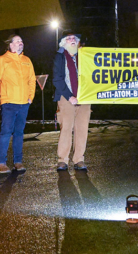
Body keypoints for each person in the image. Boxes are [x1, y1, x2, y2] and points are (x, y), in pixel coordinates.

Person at [0, 34, 36, 174]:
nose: (20, 43)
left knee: (19, 133)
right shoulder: (2, 60)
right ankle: (1, 163)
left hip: (23, 104)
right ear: (10, 45)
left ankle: (17, 162)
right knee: (5, 133)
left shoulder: (27, 60)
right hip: (9, 103)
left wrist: (30, 97)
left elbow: (32, 80)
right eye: (17, 41)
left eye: (21, 41)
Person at [52, 31, 92, 171]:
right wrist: (70, 96)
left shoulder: (84, 56)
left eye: (74, 38)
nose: (72, 40)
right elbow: (57, 79)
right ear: (63, 43)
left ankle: (79, 159)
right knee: (66, 128)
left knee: (82, 129)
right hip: (66, 98)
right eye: (68, 38)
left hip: (84, 98)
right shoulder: (60, 57)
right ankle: (62, 160)